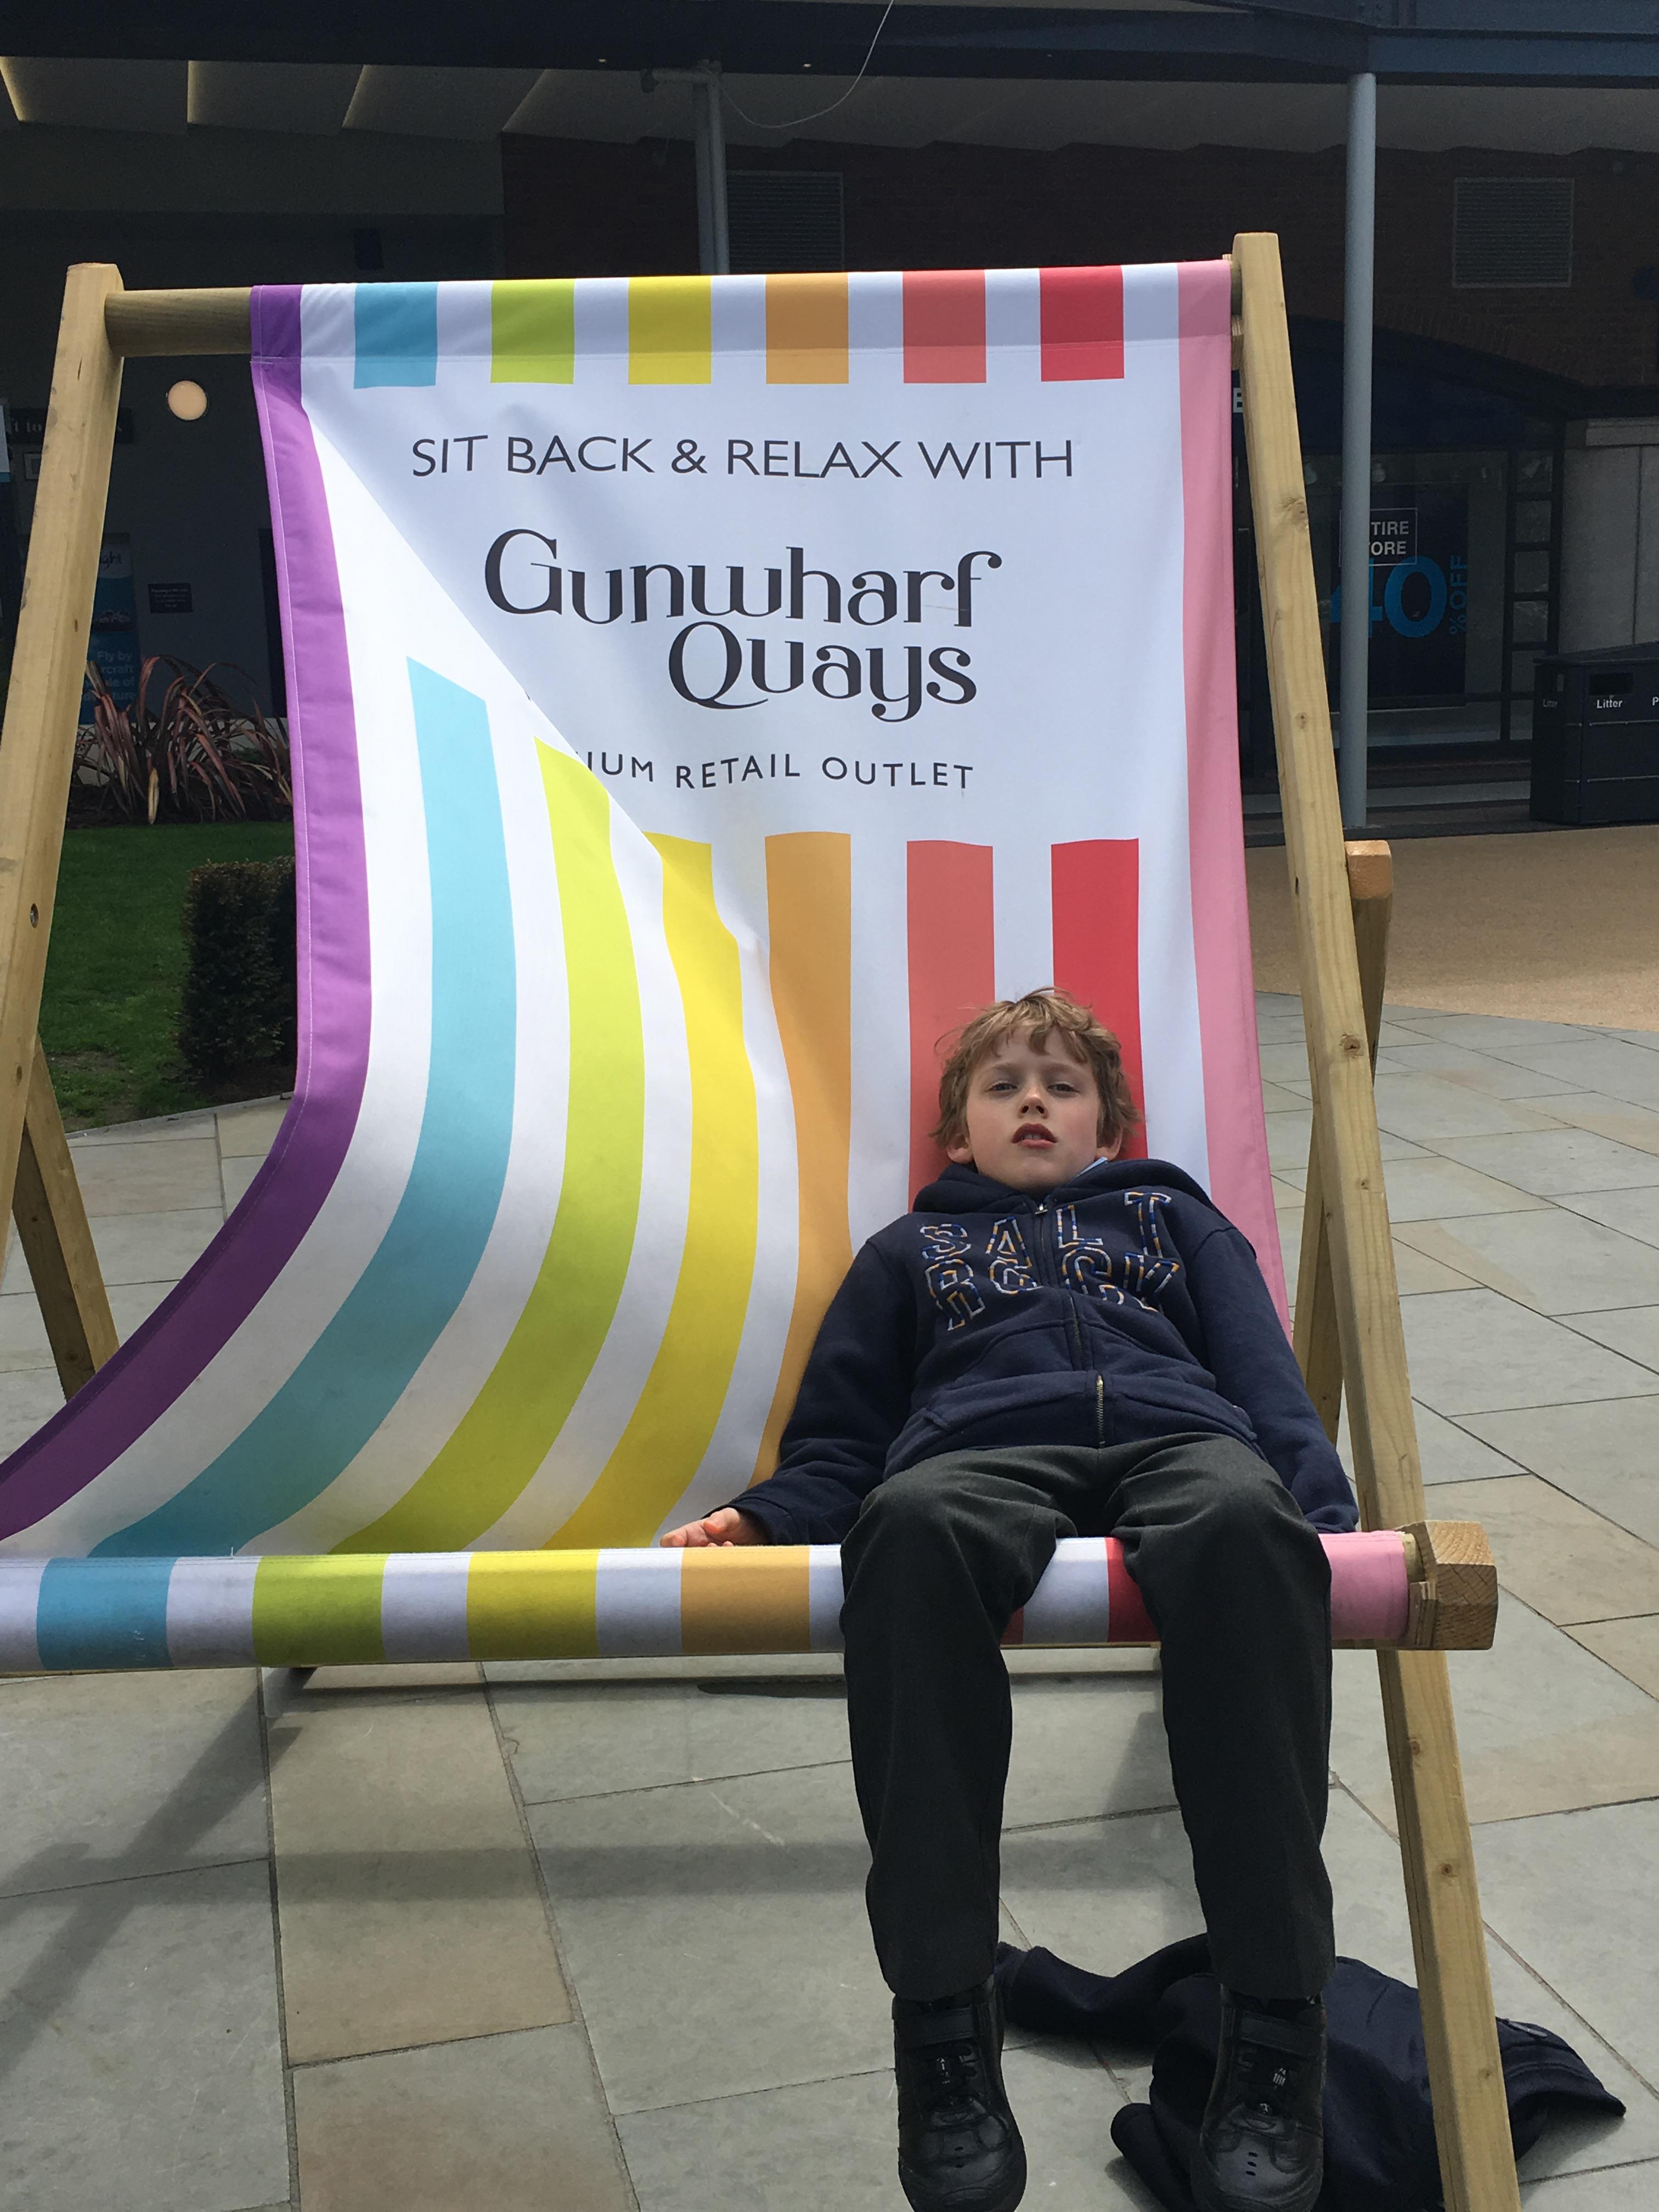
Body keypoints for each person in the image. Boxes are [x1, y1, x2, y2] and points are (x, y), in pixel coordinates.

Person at [662, 988, 1355, 2212]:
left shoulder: (1176, 1220)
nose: (1033, 1100)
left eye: (1062, 1085)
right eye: (1003, 1087)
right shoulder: (908, 1253)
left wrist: (1326, 1515)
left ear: (1108, 1125)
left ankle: (1275, 2023)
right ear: (959, 1133)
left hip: (1184, 1439)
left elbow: (1263, 1375)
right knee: (908, 1528)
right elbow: (843, 1437)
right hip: (975, 1452)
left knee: (1246, 1528)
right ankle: (943, 2026)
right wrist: (765, 1515)